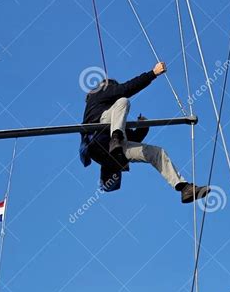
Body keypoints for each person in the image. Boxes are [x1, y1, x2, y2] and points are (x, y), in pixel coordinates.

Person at [79, 62, 210, 203]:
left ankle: (184, 188)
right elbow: (126, 88)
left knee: (156, 153)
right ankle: (115, 139)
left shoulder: (115, 119)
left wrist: (142, 129)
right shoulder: (102, 91)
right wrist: (153, 73)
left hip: (109, 150)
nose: (114, 89)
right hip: (98, 136)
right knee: (123, 101)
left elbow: (132, 138)